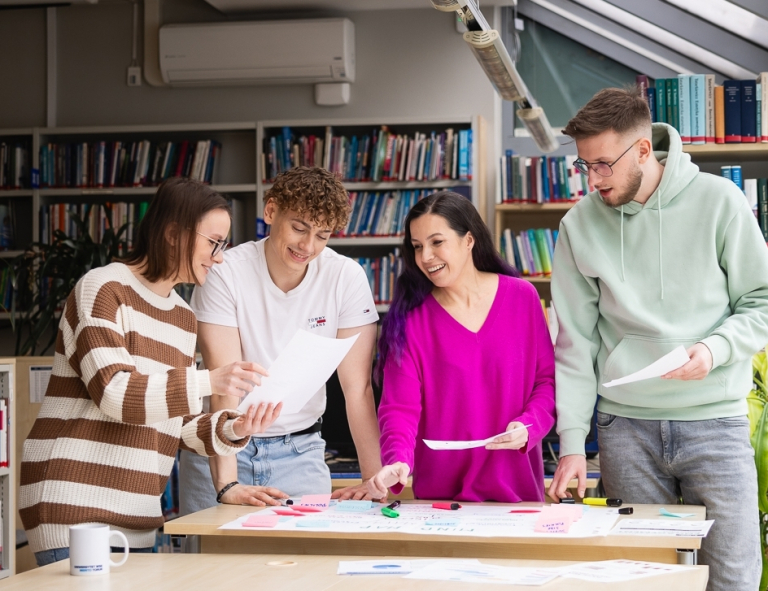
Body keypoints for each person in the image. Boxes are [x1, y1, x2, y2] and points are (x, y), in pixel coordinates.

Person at [547, 86, 768, 591]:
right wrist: (574, 446)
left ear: (643, 150)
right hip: (626, 429)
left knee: (732, 577)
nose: (594, 179)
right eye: (585, 166)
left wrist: (715, 349)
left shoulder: (720, 202)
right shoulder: (578, 225)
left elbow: (761, 301)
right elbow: (575, 343)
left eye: (604, 164)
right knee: (642, 578)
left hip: (715, 422)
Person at [19, 177, 281, 567]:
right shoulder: (103, 289)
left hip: (136, 516)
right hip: (71, 508)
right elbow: (115, 394)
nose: (219, 257)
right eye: (213, 243)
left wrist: (234, 428)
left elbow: (177, 423)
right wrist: (210, 379)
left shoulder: (183, 316)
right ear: (174, 234)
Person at [179, 166, 382, 513]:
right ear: (271, 211)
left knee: (306, 563)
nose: (308, 246)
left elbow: (357, 388)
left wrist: (373, 480)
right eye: (299, 228)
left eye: (322, 235)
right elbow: (224, 383)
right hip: (222, 446)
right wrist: (227, 484)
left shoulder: (345, 277)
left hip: (300, 453)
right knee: (209, 562)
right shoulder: (226, 272)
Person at [367, 191, 556, 502]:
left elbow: (546, 382)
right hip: (441, 503)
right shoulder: (410, 320)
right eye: (417, 247)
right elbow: (399, 408)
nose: (425, 256)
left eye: (436, 242)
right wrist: (397, 460)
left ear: (469, 240)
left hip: (518, 494)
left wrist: (529, 425)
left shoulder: (523, 298)